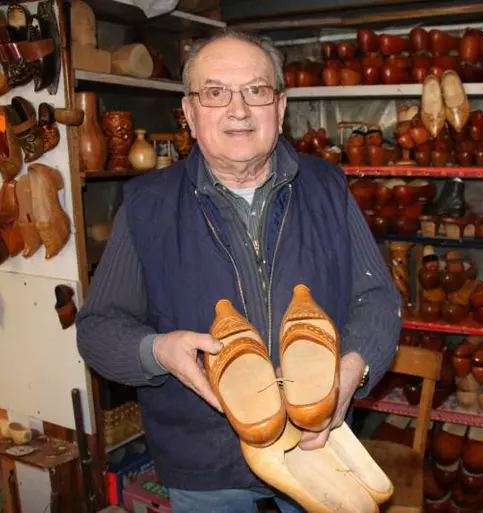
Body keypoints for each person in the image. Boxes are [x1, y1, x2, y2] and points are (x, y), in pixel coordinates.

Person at [76, 29, 401, 513]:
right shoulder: (147, 205)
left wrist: (354, 369)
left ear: (281, 106)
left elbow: (376, 297)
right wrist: (158, 351)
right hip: (205, 458)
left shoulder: (327, 185)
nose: (239, 109)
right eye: (214, 92)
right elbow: (98, 329)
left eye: (256, 90)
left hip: (318, 440)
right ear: (188, 112)